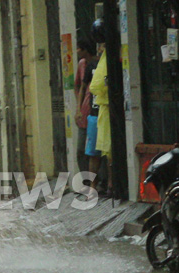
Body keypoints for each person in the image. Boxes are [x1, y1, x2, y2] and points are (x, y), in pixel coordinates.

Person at [88, 18, 113, 196]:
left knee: (108, 150)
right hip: (100, 110)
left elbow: (94, 87)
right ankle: (105, 184)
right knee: (103, 151)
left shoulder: (106, 59)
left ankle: (110, 184)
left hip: (105, 108)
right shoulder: (102, 60)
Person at [74, 38, 96, 175]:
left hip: (95, 111)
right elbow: (78, 86)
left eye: (79, 49)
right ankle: (85, 179)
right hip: (84, 112)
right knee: (81, 150)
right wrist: (79, 106)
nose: (77, 51)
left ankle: (100, 180)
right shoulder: (82, 65)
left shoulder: (96, 64)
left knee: (95, 150)